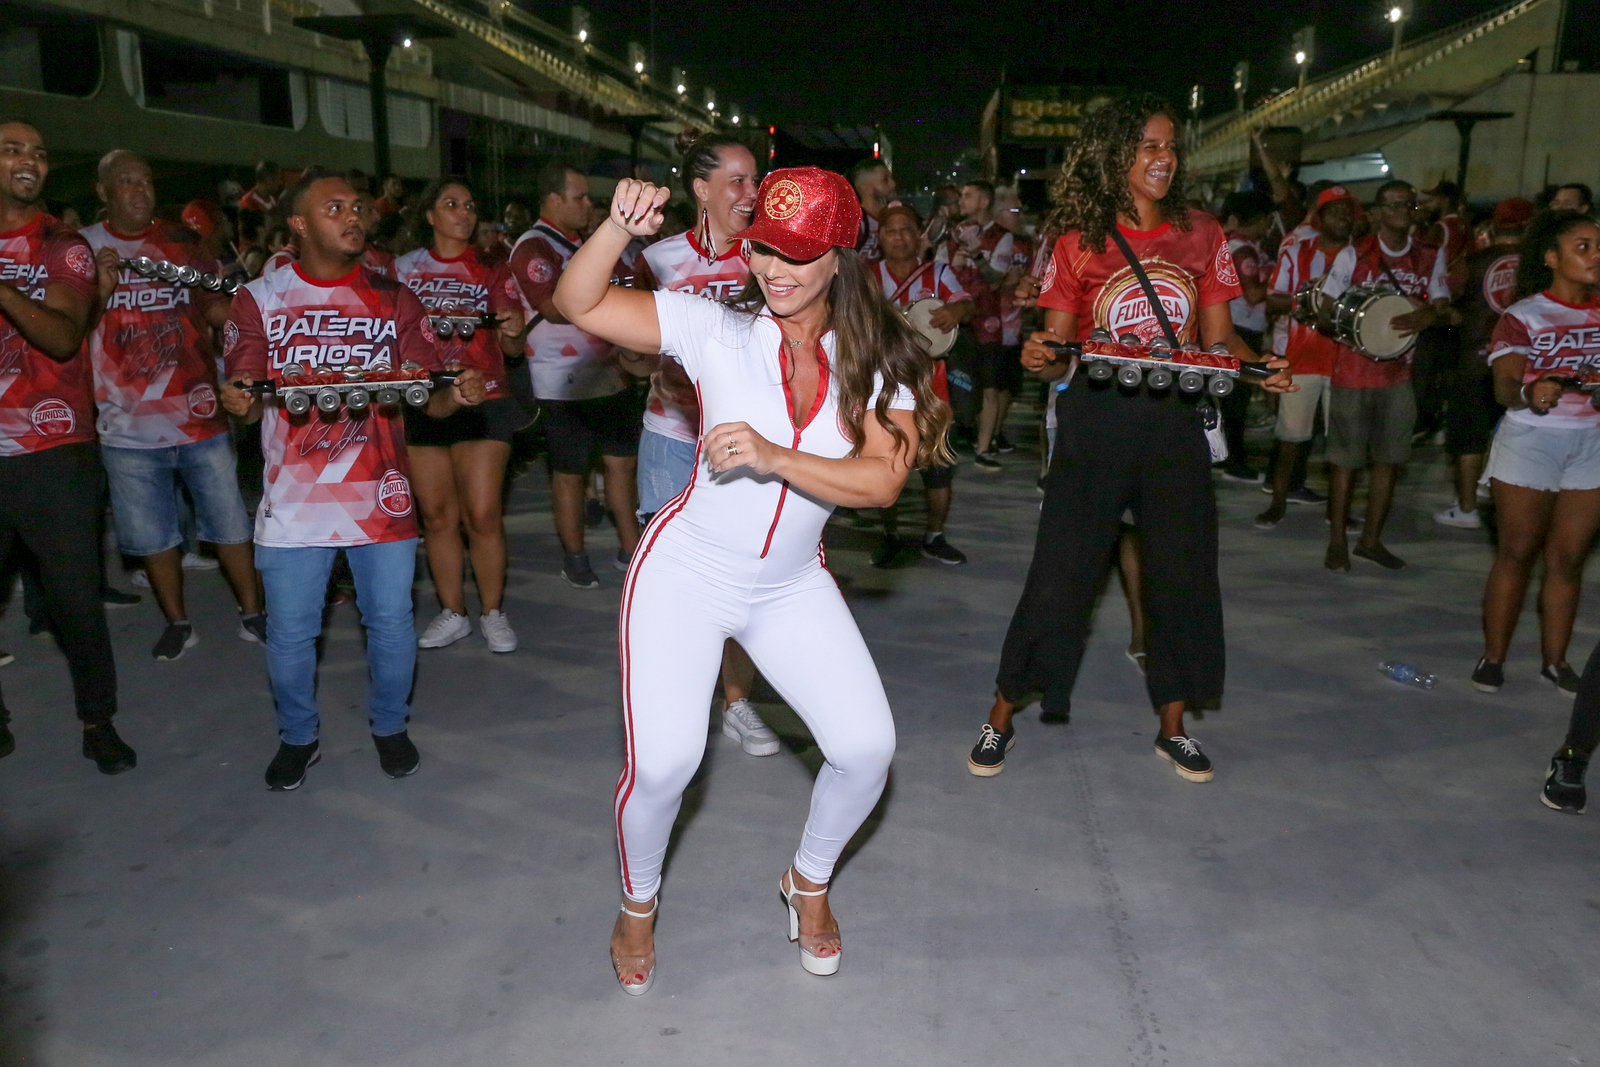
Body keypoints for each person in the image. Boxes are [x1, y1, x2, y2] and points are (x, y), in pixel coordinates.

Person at [553, 169, 949, 992]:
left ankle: (807, 882)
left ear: (839, 257)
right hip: (686, 572)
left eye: (796, 255)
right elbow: (579, 303)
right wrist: (617, 231)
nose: (773, 268)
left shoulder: (880, 360)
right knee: (664, 764)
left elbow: (881, 482)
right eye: (763, 246)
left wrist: (774, 456)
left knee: (867, 749)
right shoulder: (714, 329)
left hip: (790, 583)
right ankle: (637, 903)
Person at [966, 94, 1290, 783]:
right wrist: (1038, 356)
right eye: (1147, 146)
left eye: (1170, 146)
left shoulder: (1203, 232)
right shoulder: (1077, 240)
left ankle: (1172, 728)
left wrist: (1262, 366)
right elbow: (1056, 348)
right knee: (1061, 573)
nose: (1163, 159)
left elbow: (1220, 339)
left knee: (1183, 571)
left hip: (1175, 420)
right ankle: (1001, 713)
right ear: (1114, 156)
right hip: (1098, 416)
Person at [219, 168, 487, 791]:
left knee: (391, 623)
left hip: (380, 497)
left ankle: (390, 726)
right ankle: (298, 737)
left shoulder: (396, 299)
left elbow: (430, 401)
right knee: (290, 634)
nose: (354, 216)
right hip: (294, 500)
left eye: (359, 206)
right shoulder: (258, 299)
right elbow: (247, 393)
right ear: (298, 223)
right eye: (334, 207)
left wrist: (460, 395)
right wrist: (236, 400)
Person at [81, 149, 265, 661]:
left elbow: (217, 307)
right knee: (154, 536)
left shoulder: (180, 245)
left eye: (146, 181)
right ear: (103, 192)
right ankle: (177, 622)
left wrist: (256, 311)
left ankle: (254, 613)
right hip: (125, 424)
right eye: (125, 182)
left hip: (198, 414)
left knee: (230, 524)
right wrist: (99, 288)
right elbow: (66, 326)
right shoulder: (83, 249)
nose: (140, 191)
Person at [632, 133, 780, 757]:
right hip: (671, 439)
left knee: (742, 580)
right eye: (738, 181)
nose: (751, 194)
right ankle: (675, 711)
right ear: (701, 189)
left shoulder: (769, 258)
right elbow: (619, 337)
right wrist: (641, 361)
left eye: (755, 182)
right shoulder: (659, 259)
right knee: (671, 583)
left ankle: (738, 704)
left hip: (743, 447)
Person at [0, 119, 135, 774]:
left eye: (39, 150)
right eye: (13, 149)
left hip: (53, 452)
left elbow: (60, 336)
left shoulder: (62, 245)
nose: (30, 159)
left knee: (74, 600)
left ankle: (98, 719)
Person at [394, 178, 527, 653]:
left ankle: (493, 611)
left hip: (485, 397)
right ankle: (454, 612)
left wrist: (513, 330)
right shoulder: (402, 269)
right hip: (422, 398)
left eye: (469, 205)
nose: (463, 213)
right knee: (437, 516)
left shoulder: (492, 268)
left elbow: (512, 347)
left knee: (483, 513)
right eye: (451, 204)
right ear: (429, 215)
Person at [1472, 210, 1600, 697]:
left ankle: (1556, 661)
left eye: (1599, 246)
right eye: (1582, 246)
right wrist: (1530, 393)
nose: (1595, 256)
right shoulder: (1523, 316)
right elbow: (1504, 386)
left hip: (1590, 443)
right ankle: (1494, 656)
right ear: (1552, 258)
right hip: (1531, 441)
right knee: (1517, 552)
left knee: (1568, 560)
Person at [509, 162, 642, 588]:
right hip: (561, 383)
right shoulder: (533, 247)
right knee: (570, 473)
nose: (589, 205)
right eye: (580, 197)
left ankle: (630, 549)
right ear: (553, 200)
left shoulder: (586, 242)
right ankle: (575, 556)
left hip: (611, 375)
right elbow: (552, 305)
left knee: (621, 466)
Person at [1318, 180, 1451, 571]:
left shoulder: (1430, 254)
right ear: (1377, 212)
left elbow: (1442, 306)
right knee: (1345, 463)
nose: (1399, 211)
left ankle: (1370, 540)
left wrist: (1429, 315)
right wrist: (1353, 326)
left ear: (1415, 211)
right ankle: (1338, 541)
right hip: (1353, 371)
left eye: (1407, 205)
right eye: (1391, 205)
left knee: (1389, 462)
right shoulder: (1354, 253)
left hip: (1399, 374)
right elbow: (1326, 306)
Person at [868, 203, 974, 566]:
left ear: (919, 235)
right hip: (882, 385)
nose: (899, 237)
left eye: (906, 230)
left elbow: (964, 301)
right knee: (886, 463)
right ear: (879, 237)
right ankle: (890, 535)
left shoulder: (938, 271)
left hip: (933, 387)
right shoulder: (868, 274)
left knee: (938, 467)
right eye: (891, 231)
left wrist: (957, 312)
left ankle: (935, 535)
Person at [1256, 187, 1358, 528]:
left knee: (1341, 445)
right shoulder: (1297, 252)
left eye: (1348, 212)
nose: (1343, 218)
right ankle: (1278, 503)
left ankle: (1338, 510)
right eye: (1335, 212)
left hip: (1346, 360)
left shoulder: (1363, 256)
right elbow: (1273, 299)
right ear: (1319, 217)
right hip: (1304, 357)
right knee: (1290, 438)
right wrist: (1309, 304)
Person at [1435, 197, 1530, 529]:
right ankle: (1512, 507)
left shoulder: (1471, 262)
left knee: (1468, 438)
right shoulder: (1541, 267)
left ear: (1494, 225)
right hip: (1523, 365)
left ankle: (1466, 508)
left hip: (1475, 361)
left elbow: (1444, 302)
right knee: (1519, 438)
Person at [937, 180, 1017, 470]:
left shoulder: (1001, 236)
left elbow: (996, 277)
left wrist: (977, 255)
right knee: (948, 381)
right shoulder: (949, 237)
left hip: (987, 320)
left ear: (984, 201)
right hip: (954, 319)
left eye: (968, 195)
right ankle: (946, 442)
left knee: (990, 385)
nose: (962, 200)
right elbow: (937, 272)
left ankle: (984, 449)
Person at [1219, 188, 1276, 482]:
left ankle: (1226, 455)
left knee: (1231, 396)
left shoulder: (1243, 246)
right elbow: (1253, 294)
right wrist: (1282, 291)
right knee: (1236, 398)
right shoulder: (1241, 250)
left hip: (1239, 326)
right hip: (1240, 328)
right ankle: (1234, 461)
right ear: (1261, 218)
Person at [847, 158, 894, 261]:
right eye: (885, 180)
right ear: (865, 188)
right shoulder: (856, 222)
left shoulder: (894, 219)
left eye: (892, 179)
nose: (893, 185)